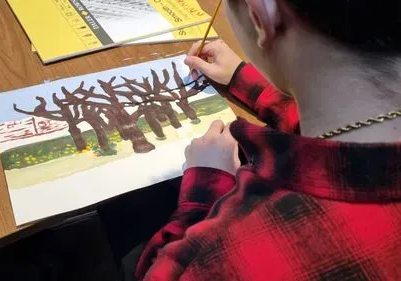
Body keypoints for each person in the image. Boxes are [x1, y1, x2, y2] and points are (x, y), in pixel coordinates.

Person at [132, 0, 401, 280]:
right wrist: (245, 80)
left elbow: (157, 271)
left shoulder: (225, 257)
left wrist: (204, 191)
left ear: (259, 15)